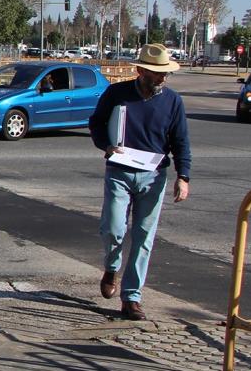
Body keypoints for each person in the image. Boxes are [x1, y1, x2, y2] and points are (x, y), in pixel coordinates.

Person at [88, 43, 191, 322]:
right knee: (113, 227)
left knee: (144, 236)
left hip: (154, 175)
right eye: (157, 73)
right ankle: (111, 267)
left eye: (165, 74)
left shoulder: (172, 101)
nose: (162, 78)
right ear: (140, 70)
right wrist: (107, 146)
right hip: (119, 169)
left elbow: (180, 141)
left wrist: (183, 176)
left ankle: (131, 297)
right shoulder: (117, 93)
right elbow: (96, 123)